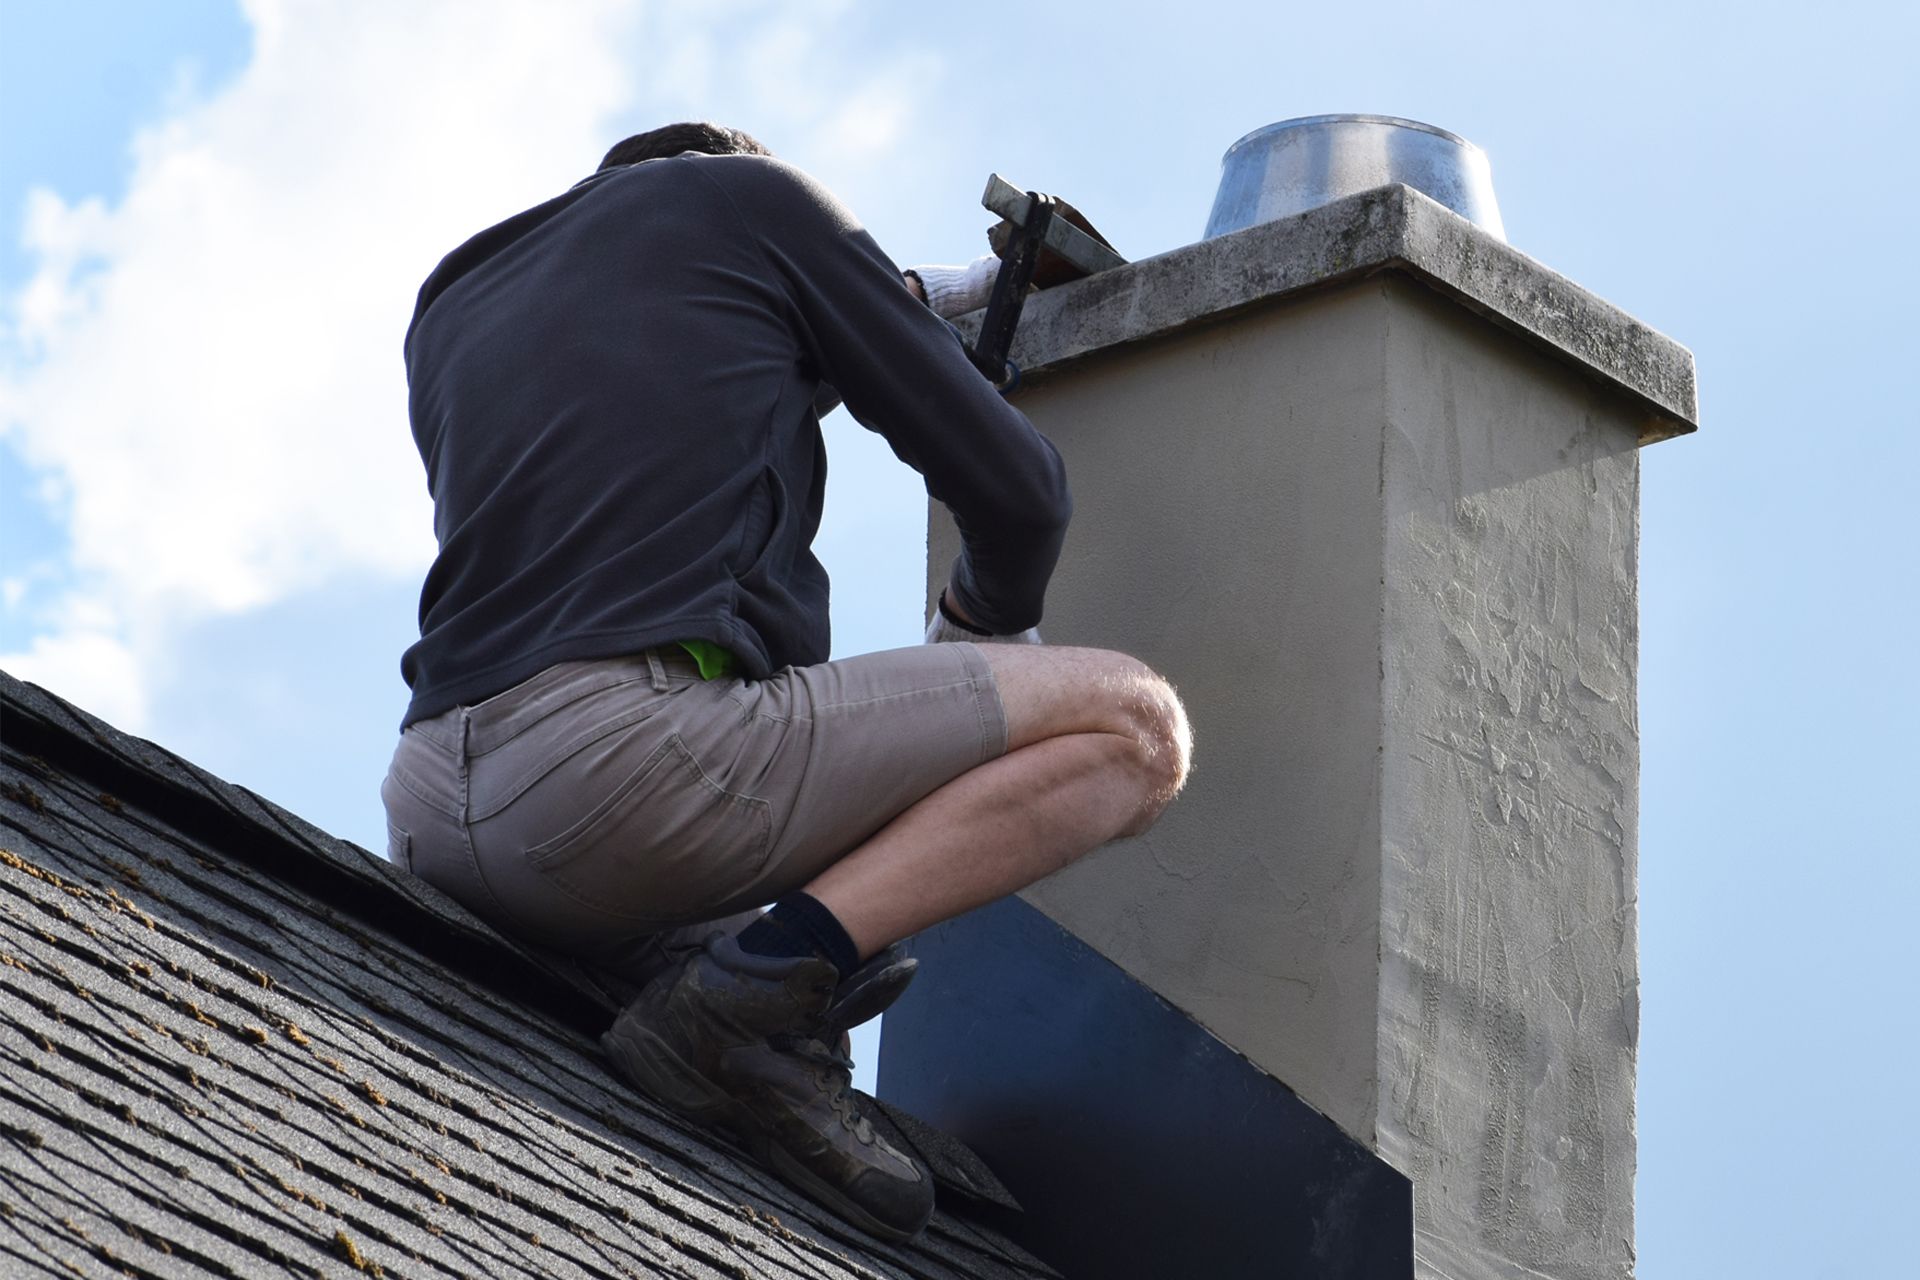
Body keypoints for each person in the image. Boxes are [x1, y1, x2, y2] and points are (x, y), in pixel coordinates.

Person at [381, 122, 1191, 1242]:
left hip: (434, 809)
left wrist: (849, 319)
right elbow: (1019, 495)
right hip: (619, 782)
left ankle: (759, 1004)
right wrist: (982, 634)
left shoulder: (459, 297)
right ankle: (755, 996)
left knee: (805, 939)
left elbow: (647, 403)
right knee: (1136, 730)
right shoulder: (752, 197)